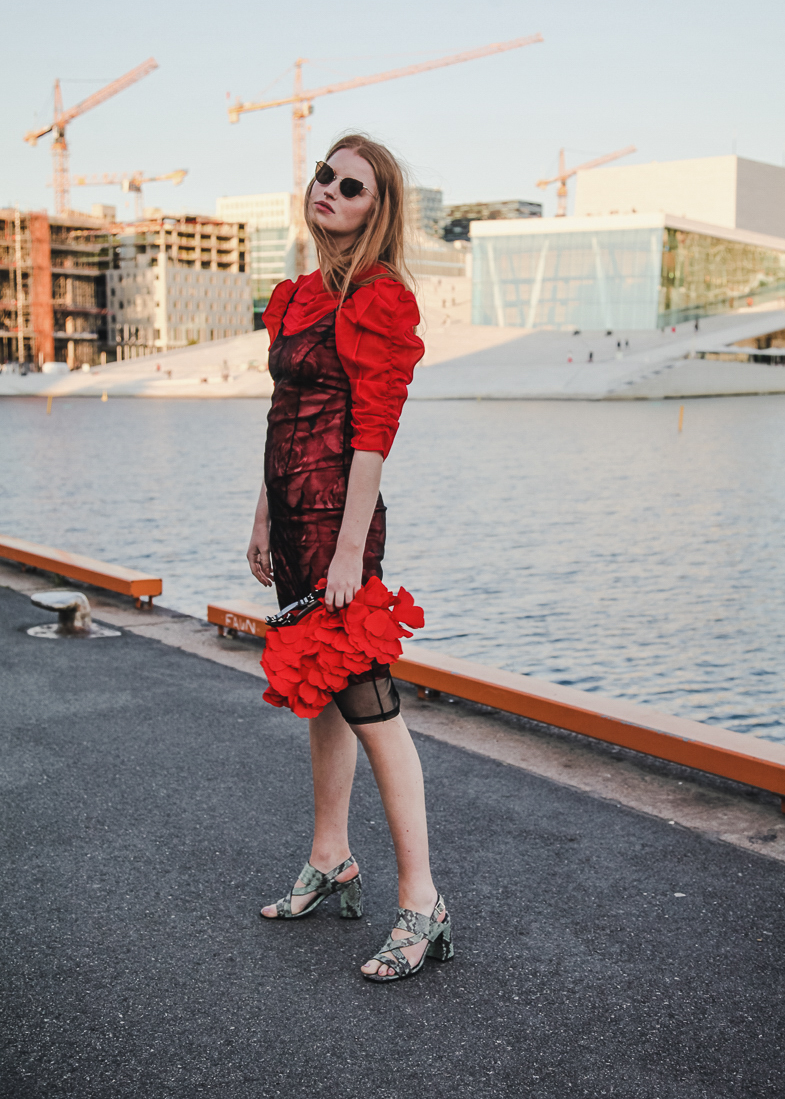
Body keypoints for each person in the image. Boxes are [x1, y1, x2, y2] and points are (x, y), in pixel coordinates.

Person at [246, 133, 453, 982]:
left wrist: (346, 552)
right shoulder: (298, 295)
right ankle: (330, 856)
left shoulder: (378, 298)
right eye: (324, 175)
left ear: (379, 208)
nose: (327, 188)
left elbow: (373, 437)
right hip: (294, 521)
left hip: (341, 524)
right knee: (319, 694)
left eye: (351, 185)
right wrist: (264, 515)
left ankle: (422, 902)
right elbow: (282, 416)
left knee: (373, 708)